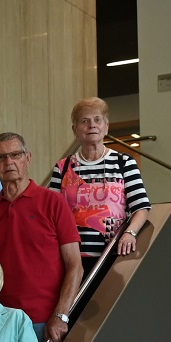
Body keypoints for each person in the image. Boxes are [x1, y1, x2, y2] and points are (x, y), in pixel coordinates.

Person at [0, 133, 82, 342]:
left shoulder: (54, 202)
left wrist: (61, 315)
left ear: (28, 158)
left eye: (16, 154)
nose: (9, 162)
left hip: (47, 323)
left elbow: (75, 266)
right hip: (2, 325)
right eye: (1, 157)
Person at [46, 97, 151, 274]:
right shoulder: (63, 167)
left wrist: (130, 233)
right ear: (75, 129)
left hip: (114, 255)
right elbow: (50, 213)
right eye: (84, 121)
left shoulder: (123, 162)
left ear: (106, 126)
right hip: (71, 258)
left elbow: (141, 207)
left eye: (97, 120)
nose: (91, 125)